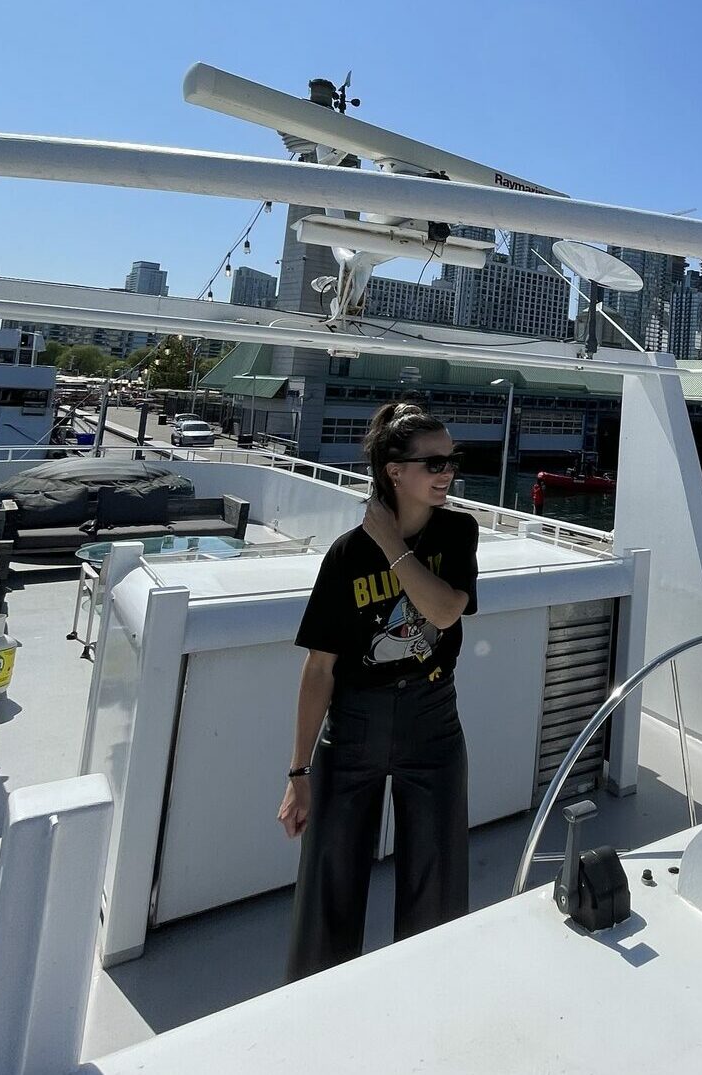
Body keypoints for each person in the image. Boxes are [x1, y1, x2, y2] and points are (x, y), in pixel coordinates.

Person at [279, 401, 479, 982]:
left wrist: (392, 544)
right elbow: (319, 669)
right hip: (356, 724)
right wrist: (298, 774)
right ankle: (319, 1005)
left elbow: (443, 612)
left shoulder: (457, 532)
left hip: (434, 719)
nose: (447, 472)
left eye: (452, 461)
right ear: (395, 471)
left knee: (437, 886)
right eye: (434, 462)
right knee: (330, 884)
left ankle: (423, 996)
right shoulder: (346, 554)